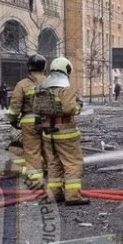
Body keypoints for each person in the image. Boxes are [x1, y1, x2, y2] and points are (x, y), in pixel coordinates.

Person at [38, 57, 89, 206]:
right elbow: (69, 109)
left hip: (48, 133)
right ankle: (72, 196)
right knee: (72, 163)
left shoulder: (44, 88)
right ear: (66, 70)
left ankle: (55, 194)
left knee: (54, 164)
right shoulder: (65, 89)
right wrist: (78, 106)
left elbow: (37, 109)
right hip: (65, 132)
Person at [7, 55, 48, 185]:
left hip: (30, 124)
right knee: (49, 149)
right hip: (49, 123)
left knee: (32, 152)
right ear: (44, 67)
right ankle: (54, 177)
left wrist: (13, 119)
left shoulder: (22, 84)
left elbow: (15, 104)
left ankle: (36, 180)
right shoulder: (51, 82)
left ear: (29, 67)